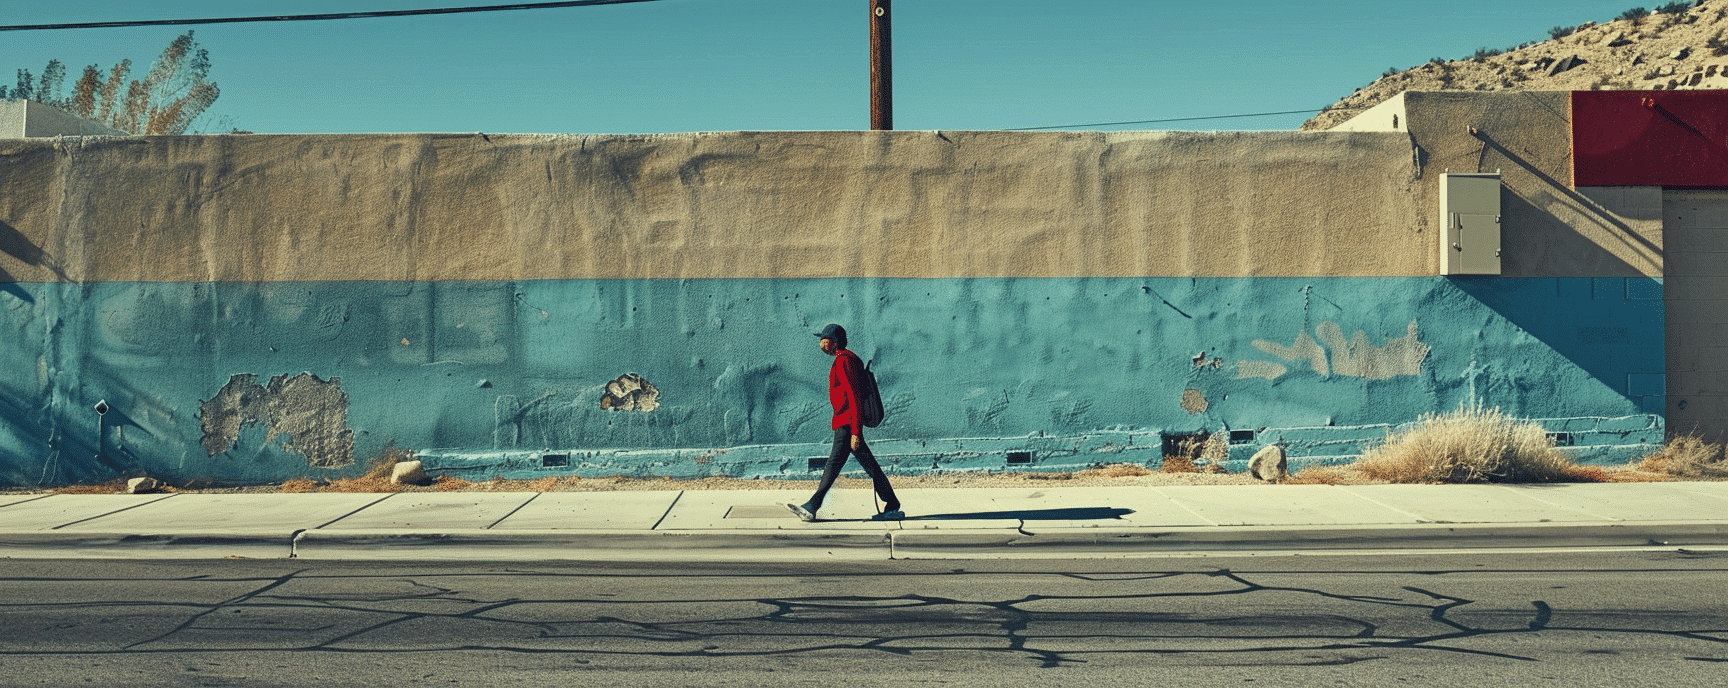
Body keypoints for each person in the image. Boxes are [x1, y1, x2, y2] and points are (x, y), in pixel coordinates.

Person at [788, 323, 904, 522]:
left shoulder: (844, 361)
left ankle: (812, 506)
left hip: (847, 423)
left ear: (834, 341)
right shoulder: (843, 360)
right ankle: (891, 504)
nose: (821, 344)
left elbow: (854, 396)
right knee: (862, 466)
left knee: (835, 465)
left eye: (823, 339)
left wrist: (856, 432)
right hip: (845, 422)